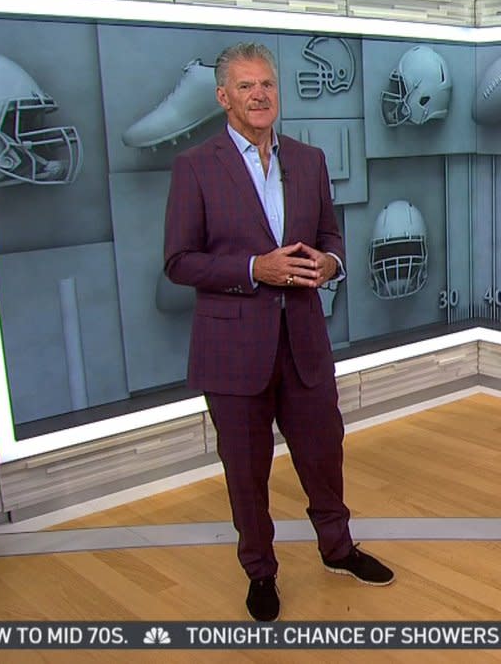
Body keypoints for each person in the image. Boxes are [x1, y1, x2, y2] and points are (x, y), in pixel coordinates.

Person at [163, 42, 393, 623]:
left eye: (266, 84)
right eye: (245, 86)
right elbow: (179, 261)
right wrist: (251, 269)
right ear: (223, 98)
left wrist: (331, 264)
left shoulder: (308, 160)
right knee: (246, 470)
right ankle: (260, 572)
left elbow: (331, 235)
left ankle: (338, 549)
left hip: (304, 343)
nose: (259, 95)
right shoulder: (195, 166)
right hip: (233, 351)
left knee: (324, 454)